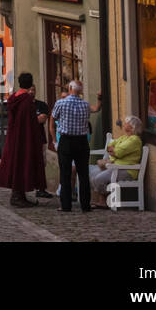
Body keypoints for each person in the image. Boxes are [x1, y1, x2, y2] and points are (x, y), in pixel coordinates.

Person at [49, 79, 102, 212]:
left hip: (66, 141)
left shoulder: (61, 103)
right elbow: (96, 108)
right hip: (82, 142)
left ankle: (66, 205)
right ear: (80, 91)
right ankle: (85, 205)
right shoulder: (85, 105)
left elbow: (53, 118)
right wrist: (100, 98)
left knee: (65, 174)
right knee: (83, 174)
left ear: (70, 89)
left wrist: (54, 139)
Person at [0, 72, 47, 207]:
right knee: (23, 164)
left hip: (14, 137)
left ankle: (20, 195)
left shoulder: (14, 98)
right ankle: (17, 197)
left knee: (17, 164)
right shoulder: (27, 100)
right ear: (30, 83)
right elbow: (29, 122)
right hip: (24, 138)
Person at [91, 116, 143, 206]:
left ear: (132, 126)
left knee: (98, 179)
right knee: (93, 175)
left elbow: (118, 152)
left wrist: (114, 150)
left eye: (126, 123)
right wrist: (112, 150)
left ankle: (105, 199)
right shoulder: (124, 137)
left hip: (127, 170)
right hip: (116, 167)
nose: (124, 124)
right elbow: (110, 145)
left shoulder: (135, 140)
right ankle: (103, 200)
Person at [31, 86, 53, 199]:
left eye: (33, 89)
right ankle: (29, 188)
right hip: (27, 140)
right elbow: (38, 119)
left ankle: (41, 189)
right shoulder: (24, 105)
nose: (31, 92)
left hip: (40, 139)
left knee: (41, 164)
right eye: (29, 89)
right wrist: (35, 118)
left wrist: (28, 119)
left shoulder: (41, 105)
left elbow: (43, 119)